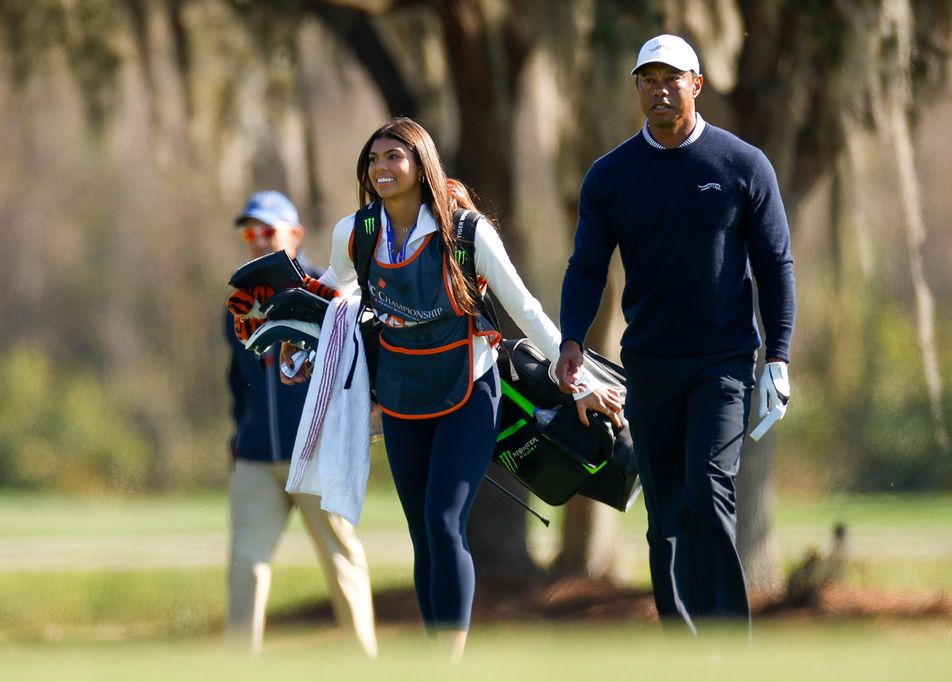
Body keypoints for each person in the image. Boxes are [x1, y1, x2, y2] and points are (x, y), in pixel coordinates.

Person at [281, 118, 622, 660]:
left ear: (421, 164)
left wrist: (576, 379)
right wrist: (294, 336)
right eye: (374, 159)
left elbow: (525, 308)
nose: (382, 168)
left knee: (444, 521)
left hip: (469, 390)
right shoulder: (356, 233)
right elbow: (335, 290)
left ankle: (449, 662)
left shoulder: (467, 232)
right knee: (422, 532)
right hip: (400, 395)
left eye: (395, 156)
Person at [556, 34, 796, 632]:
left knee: (707, 487)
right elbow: (587, 266)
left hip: (724, 362)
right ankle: (681, 641)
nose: (660, 90)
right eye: (648, 80)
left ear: (697, 84)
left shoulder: (743, 165)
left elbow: (775, 265)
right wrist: (570, 340)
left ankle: (726, 642)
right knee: (663, 511)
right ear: (637, 87)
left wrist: (780, 355)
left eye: (672, 79)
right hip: (648, 363)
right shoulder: (610, 176)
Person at [225, 190, 378, 656]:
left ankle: (365, 662)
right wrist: (237, 435)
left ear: (294, 235)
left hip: (314, 453)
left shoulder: (327, 291)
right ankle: (237, 667)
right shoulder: (238, 301)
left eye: (267, 231)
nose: (257, 241)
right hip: (256, 457)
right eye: (251, 232)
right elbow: (237, 379)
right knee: (247, 564)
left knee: (341, 559)